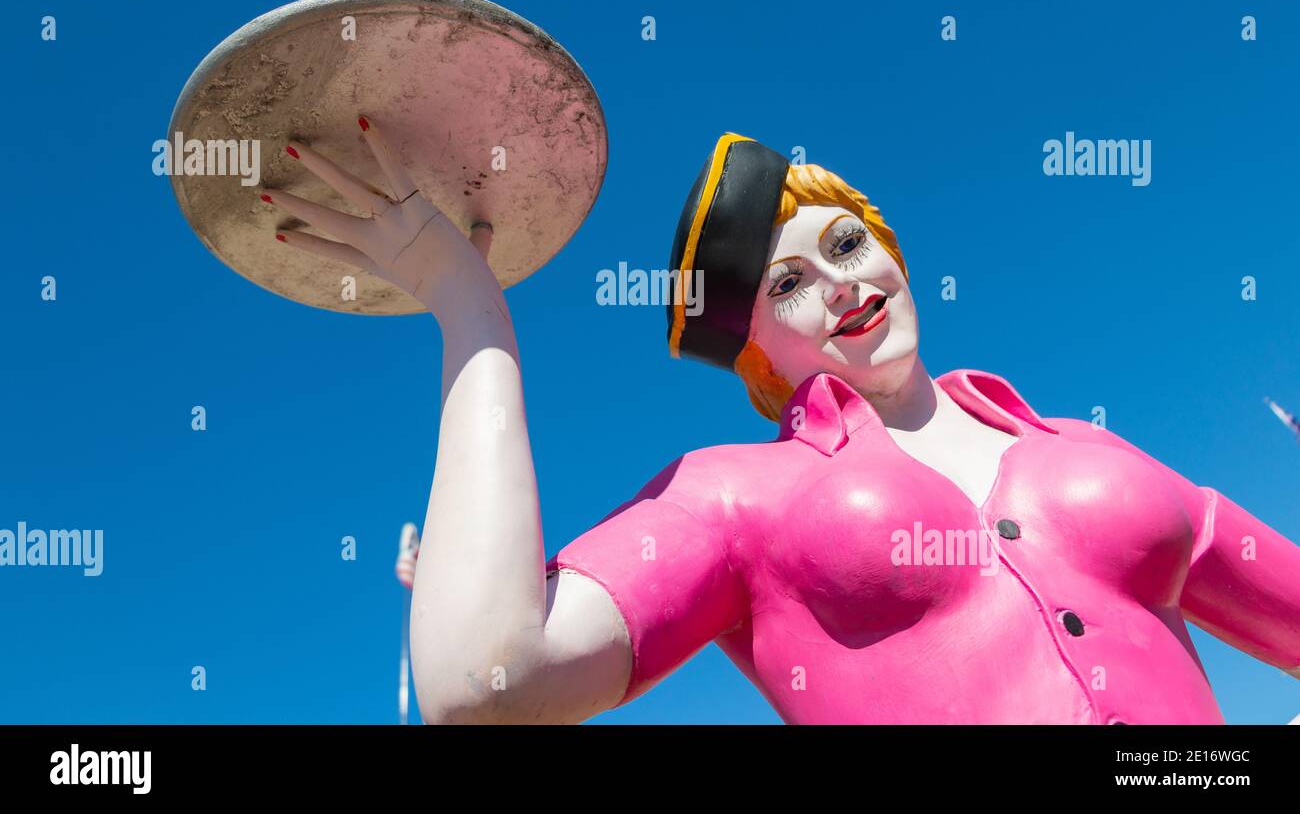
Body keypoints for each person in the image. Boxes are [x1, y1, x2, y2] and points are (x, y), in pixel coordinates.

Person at [267, 124, 1300, 723]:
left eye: (849, 242)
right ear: (757, 349)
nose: (843, 284)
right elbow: (489, 677)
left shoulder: (1090, 446)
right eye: (790, 284)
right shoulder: (729, 493)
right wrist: (469, 308)